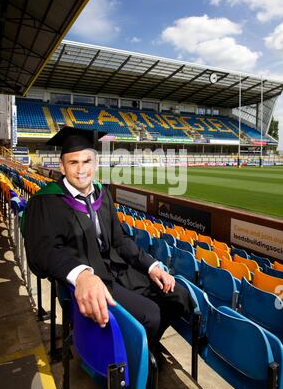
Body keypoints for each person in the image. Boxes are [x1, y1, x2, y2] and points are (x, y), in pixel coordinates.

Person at [23, 127, 195, 353]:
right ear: (62, 166)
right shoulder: (46, 201)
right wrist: (81, 274)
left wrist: (151, 266)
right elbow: (43, 251)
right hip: (95, 280)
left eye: (87, 161)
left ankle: (142, 347)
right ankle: (130, 360)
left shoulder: (101, 194)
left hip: (118, 270)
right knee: (150, 314)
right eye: (73, 163)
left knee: (179, 296)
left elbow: (120, 240)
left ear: (95, 164)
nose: (81, 169)